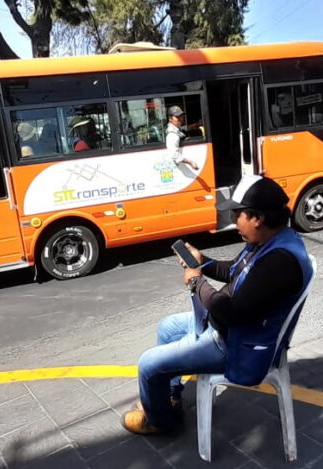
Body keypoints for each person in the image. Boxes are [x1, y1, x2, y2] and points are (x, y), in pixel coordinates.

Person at [122, 175, 313, 434]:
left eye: (237, 215)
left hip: (235, 345)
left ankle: (161, 422)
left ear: (257, 218)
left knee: (148, 364)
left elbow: (230, 312)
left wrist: (196, 282)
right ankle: (169, 398)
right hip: (227, 327)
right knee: (167, 327)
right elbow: (233, 270)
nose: (234, 222)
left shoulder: (278, 262)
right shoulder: (268, 240)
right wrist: (202, 261)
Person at [164, 106, 199, 170]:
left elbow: (183, 129)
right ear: (170, 119)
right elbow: (174, 155)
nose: (180, 118)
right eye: (177, 117)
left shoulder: (176, 128)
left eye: (181, 116)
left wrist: (195, 125)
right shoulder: (172, 134)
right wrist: (190, 162)